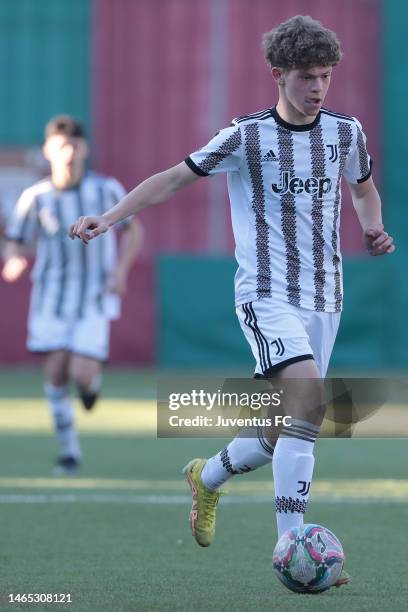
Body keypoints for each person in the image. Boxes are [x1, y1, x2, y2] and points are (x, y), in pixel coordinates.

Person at [69, 15, 394, 584]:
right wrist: (111, 219)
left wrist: (373, 227)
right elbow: (173, 178)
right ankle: (291, 545)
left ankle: (209, 476)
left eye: (325, 76)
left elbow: (363, 188)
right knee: (308, 400)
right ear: (277, 75)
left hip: (326, 296)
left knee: (282, 427)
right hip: (265, 294)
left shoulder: (346, 132)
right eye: (305, 78)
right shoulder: (246, 136)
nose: (318, 88)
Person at [2, 115, 143, 474]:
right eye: (60, 147)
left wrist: (120, 271)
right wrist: (13, 259)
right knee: (55, 372)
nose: (67, 153)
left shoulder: (106, 189)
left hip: (94, 296)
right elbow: (14, 241)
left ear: (84, 149)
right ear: (48, 151)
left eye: (73, 146)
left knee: (79, 372)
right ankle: (69, 452)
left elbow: (134, 231)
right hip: (51, 297)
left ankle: (90, 384)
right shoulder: (35, 197)